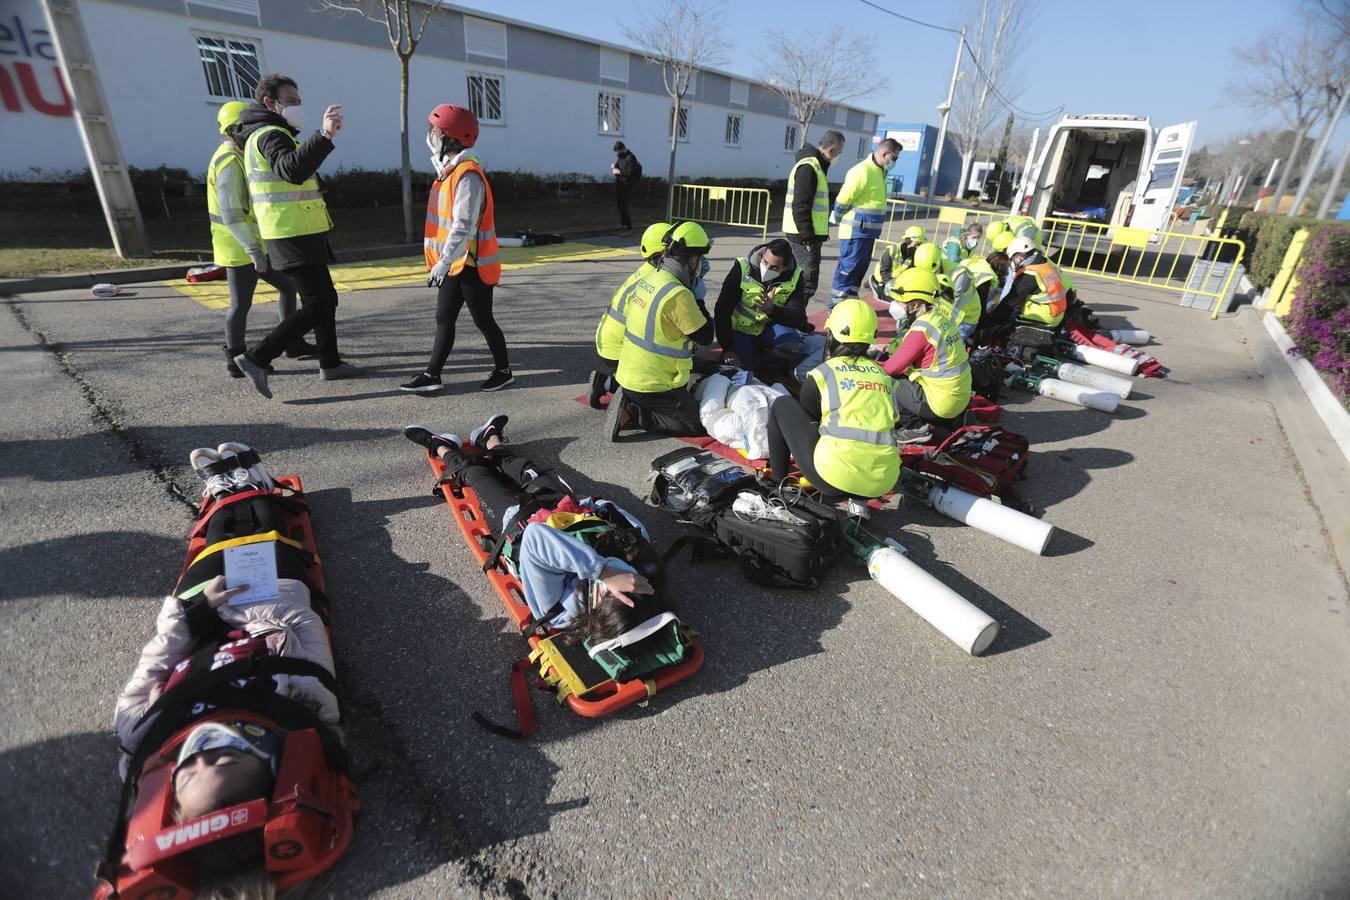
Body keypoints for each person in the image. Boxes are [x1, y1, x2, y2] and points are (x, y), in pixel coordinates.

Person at [110, 445, 341, 898]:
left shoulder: (144, 736)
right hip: (272, 598)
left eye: (191, 769)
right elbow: (305, 624)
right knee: (263, 528)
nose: (204, 750)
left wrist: (197, 614)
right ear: (269, 762)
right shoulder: (303, 705)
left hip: (202, 610)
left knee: (215, 543)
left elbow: (154, 659)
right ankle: (253, 481)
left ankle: (221, 490)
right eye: (225, 758)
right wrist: (245, 612)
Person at [403, 415, 668, 639]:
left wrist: (603, 571)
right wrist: (592, 505)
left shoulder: (558, 612)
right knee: (527, 471)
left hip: (516, 526)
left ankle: (441, 446)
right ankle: (489, 439)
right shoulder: (641, 574)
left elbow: (535, 538)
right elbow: (632, 527)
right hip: (565, 512)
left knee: (478, 477)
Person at [233, 73, 362, 398]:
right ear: (269, 103)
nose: (298, 107)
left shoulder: (272, 133)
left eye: (299, 101)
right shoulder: (269, 134)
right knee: (319, 303)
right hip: (291, 234)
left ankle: (330, 364)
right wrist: (324, 135)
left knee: (323, 300)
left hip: (299, 231)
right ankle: (256, 357)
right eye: (291, 101)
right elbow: (292, 170)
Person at [402, 104, 512, 394]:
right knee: (444, 317)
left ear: (450, 138)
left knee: (483, 320)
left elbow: (463, 226)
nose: (430, 134)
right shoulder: (452, 171)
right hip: (454, 262)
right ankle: (432, 374)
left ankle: (503, 370)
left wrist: (442, 261)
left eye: (435, 131)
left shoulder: (469, 176)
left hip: (472, 264)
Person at [207, 100, 310, 379]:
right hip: (239, 247)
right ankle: (234, 356)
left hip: (250, 244)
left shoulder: (237, 156)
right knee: (241, 303)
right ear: (232, 131)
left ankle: (291, 342)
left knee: (288, 288)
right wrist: (254, 251)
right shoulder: (229, 161)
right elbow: (231, 215)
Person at [764, 299, 900, 501]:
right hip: (882, 482)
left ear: (832, 335)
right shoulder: (884, 376)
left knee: (782, 405)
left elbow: (810, 421)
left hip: (832, 480)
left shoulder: (824, 373)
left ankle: (778, 483)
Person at [606, 222, 716, 440]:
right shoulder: (678, 295)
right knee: (697, 426)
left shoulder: (652, 278)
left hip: (629, 371)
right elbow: (705, 336)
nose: (701, 264)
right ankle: (633, 412)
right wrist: (699, 299)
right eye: (700, 258)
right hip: (654, 383)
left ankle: (627, 395)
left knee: (705, 370)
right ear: (692, 260)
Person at [882, 268, 973, 443]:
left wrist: (867, 364)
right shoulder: (939, 318)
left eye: (899, 300)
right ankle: (948, 420)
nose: (894, 304)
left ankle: (915, 428)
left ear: (915, 304)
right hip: (959, 397)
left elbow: (889, 369)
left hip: (942, 403)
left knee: (888, 381)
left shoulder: (922, 330)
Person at [589, 221, 670, 407]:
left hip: (608, 343)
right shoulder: (657, 280)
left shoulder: (646, 272)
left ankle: (606, 382)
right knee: (657, 380)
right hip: (618, 349)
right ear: (664, 253)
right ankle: (617, 389)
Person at [713, 237, 810, 375]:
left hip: (768, 327)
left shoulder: (795, 276)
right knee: (743, 371)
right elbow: (722, 309)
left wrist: (772, 310)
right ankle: (751, 360)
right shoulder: (742, 268)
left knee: (792, 345)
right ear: (763, 255)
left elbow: (796, 317)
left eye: (774, 267)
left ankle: (765, 369)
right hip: (741, 330)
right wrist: (727, 348)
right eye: (765, 262)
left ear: (785, 267)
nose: (767, 268)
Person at [830, 138, 901, 304]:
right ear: (885, 153)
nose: (895, 162)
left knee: (859, 270)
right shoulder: (862, 171)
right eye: (895, 158)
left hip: (867, 233)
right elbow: (842, 200)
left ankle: (851, 303)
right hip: (855, 233)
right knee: (848, 269)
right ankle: (835, 307)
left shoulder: (879, 172)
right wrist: (838, 218)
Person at [781, 129, 845, 301]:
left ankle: (792, 318)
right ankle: (794, 320)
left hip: (806, 235)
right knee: (806, 281)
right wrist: (807, 238)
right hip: (803, 236)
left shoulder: (817, 166)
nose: (839, 156)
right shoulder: (810, 168)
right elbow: (800, 205)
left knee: (800, 280)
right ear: (831, 150)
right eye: (839, 152)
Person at [983, 235, 1069, 336]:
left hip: (1044, 316)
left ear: (1020, 256)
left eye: (1014, 259)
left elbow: (1010, 301)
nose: (1014, 263)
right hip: (1057, 313)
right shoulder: (1043, 264)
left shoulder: (1030, 275)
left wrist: (990, 321)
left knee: (1005, 324)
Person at [610, 141, 641, 235]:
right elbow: (618, 165)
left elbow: (630, 172)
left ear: (623, 149)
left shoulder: (630, 157)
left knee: (624, 206)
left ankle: (628, 228)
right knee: (620, 206)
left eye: (618, 152)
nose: (617, 154)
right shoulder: (621, 157)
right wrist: (614, 167)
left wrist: (619, 172)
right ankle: (623, 225)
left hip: (627, 185)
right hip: (620, 184)